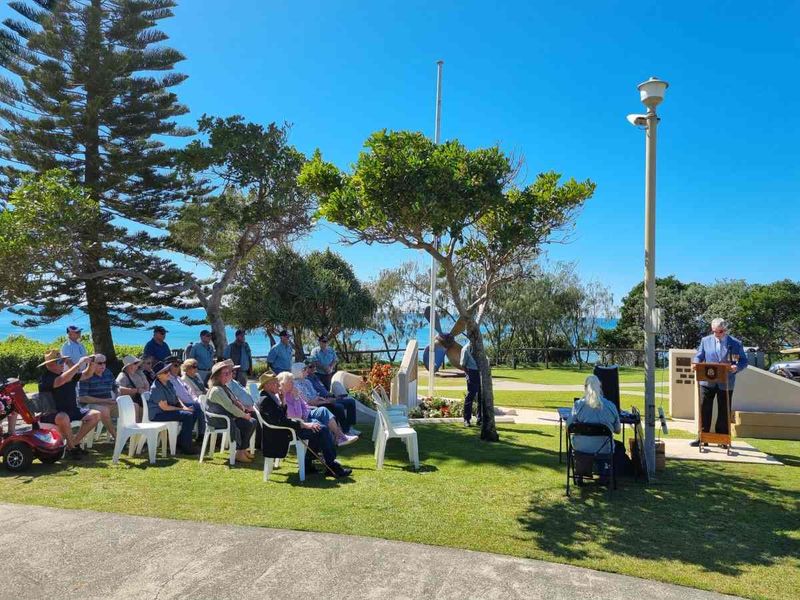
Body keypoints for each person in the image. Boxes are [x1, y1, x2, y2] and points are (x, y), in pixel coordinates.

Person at [258, 373, 352, 478]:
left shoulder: (270, 397)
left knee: (318, 427)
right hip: (284, 433)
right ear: (267, 385)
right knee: (322, 429)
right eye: (275, 383)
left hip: (287, 429)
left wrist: (284, 400)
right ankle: (331, 465)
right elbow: (281, 421)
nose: (278, 385)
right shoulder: (266, 400)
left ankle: (309, 464)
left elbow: (282, 416)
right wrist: (303, 425)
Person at [691, 318, 748, 447]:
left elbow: (744, 361)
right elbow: (699, 355)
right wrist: (696, 363)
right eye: (714, 332)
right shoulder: (705, 341)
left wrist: (736, 368)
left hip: (726, 381)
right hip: (707, 381)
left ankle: (722, 439)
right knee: (704, 408)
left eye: (720, 331)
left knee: (724, 410)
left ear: (725, 330)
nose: (717, 334)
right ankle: (702, 437)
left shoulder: (736, 343)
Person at [37, 350, 101, 457]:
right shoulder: (45, 378)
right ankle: (73, 449)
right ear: (49, 365)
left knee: (96, 414)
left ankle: (73, 444)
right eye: (59, 362)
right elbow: (61, 380)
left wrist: (92, 363)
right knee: (63, 417)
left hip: (71, 410)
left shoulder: (67, 375)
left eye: (63, 361)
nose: (62, 364)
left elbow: (87, 374)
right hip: (52, 413)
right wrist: (79, 363)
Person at [277, 371, 357, 447]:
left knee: (324, 410)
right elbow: (297, 416)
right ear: (284, 384)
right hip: (300, 420)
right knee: (326, 417)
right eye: (291, 381)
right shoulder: (284, 397)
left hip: (308, 412)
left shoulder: (294, 390)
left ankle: (340, 436)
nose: (293, 383)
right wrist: (297, 398)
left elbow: (305, 405)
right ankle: (340, 437)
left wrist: (307, 408)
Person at [568, 375, 621, 479]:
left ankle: (580, 473)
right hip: (604, 448)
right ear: (600, 387)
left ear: (585, 388)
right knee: (609, 446)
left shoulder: (578, 405)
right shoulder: (611, 406)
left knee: (585, 445)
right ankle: (604, 474)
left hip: (581, 448)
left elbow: (568, 426)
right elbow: (618, 430)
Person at [206, 359, 256, 463]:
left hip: (227, 417)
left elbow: (234, 401)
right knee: (249, 422)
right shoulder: (217, 390)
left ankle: (241, 450)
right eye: (226, 373)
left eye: (229, 373)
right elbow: (230, 407)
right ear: (218, 376)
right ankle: (239, 452)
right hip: (219, 420)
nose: (229, 375)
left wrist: (243, 409)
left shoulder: (223, 387)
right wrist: (244, 415)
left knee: (252, 421)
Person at [147, 361, 197, 455]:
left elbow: (176, 398)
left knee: (193, 412)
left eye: (168, 371)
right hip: (158, 415)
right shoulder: (156, 388)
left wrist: (184, 407)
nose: (168, 373)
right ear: (158, 375)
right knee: (187, 415)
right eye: (165, 372)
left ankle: (180, 441)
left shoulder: (168, 383)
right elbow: (165, 407)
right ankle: (186, 447)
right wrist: (182, 409)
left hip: (167, 411)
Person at [297, 362, 358, 435]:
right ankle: (345, 431)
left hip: (323, 399)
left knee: (351, 402)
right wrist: (326, 401)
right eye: (306, 368)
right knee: (339, 407)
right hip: (315, 405)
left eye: (313, 366)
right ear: (298, 372)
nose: (309, 369)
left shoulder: (309, 380)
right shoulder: (298, 384)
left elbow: (317, 394)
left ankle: (349, 427)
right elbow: (308, 402)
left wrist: (330, 398)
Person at [77, 353, 117, 440]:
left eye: (104, 362)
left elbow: (116, 387)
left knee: (133, 407)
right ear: (91, 363)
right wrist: (105, 401)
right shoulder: (85, 376)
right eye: (99, 363)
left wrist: (118, 395)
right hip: (89, 405)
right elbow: (83, 398)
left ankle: (133, 435)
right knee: (104, 410)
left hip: (108, 402)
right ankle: (116, 437)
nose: (103, 365)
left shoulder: (107, 372)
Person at [165, 357, 205, 440]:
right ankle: (197, 435)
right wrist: (191, 404)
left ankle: (185, 437)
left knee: (197, 406)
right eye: (175, 365)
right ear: (168, 367)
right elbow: (175, 397)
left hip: (189, 403)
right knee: (196, 407)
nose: (178, 368)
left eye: (178, 365)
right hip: (177, 405)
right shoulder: (168, 379)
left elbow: (190, 392)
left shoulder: (178, 379)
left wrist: (195, 400)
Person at [115, 355, 150, 422]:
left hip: (140, 401)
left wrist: (142, 374)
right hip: (128, 404)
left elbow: (146, 388)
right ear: (129, 366)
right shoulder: (122, 376)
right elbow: (118, 389)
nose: (137, 366)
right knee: (138, 409)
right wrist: (136, 390)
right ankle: (136, 430)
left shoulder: (137, 375)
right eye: (135, 364)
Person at [460, 339, 482, 428]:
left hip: (480, 372)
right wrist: (468, 375)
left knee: (481, 396)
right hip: (471, 372)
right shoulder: (466, 349)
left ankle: (480, 419)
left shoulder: (480, 346)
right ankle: (467, 419)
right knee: (470, 396)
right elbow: (463, 365)